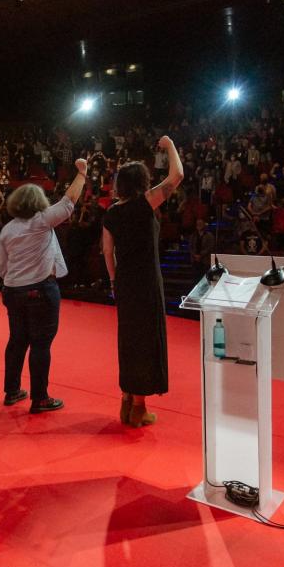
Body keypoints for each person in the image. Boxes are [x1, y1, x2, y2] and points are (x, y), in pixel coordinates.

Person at [102, 136, 184, 428]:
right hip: (147, 282)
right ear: (142, 182)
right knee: (147, 341)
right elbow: (177, 176)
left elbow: (107, 251)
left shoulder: (112, 212)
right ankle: (139, 407)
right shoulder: (146, 202)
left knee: (128, 340)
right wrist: (170, 145)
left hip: (124, 282)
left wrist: (113, 280)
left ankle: (127, 399)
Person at [0, 158, 89, 414]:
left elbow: (4, 267)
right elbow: (69, 201)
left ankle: (12, 390)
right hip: (39, 290)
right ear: (39, 203)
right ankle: (40, 398)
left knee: (17, 341)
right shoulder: (41, 221)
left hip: (13, 290)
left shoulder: (7, 230)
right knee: (40, 344)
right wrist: (81, 174)